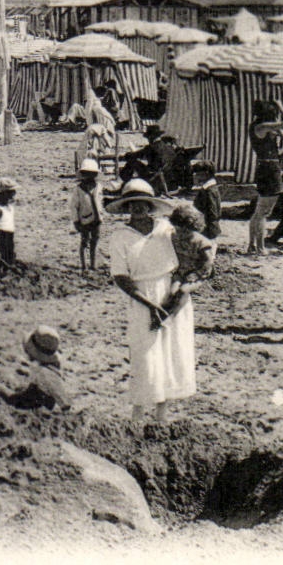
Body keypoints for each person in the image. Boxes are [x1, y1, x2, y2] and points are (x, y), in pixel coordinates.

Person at [106, 178, 194, 423]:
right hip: (142, 296)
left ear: (150, 205)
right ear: (126, 208)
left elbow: (189, 254)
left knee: (170, 351)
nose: (138, 209)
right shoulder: (120, 236)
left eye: (142, 203)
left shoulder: (166, 229)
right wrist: (149, 304)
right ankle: (137, 411)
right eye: (132, 204)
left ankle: (162, 412)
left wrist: (178, 292)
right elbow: (120, 276)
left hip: (171, 292)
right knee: (144, 353)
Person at [248, 98, 283, 254]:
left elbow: (282, 130)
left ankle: (253, 246)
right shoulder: (263, 126)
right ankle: (260, 247)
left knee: (259, 210)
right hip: (270, 169)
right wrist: (281, 105)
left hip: (264, 167)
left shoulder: (259, 127)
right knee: (263, 212)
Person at [73, 158, 105, 270]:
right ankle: (84, 265)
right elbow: (74, 206)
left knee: (95, 241)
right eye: (87, 174)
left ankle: (93, 264)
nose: (89, 177)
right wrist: (76, 220)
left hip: (97, 218)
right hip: (85, 219)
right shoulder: (78, 190)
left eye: (92, 174)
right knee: (84, 241)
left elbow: (101, 200)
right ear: (82, 175)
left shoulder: (98, 187)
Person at [0, 178, 19, 277]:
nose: (14, 194)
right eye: (11, 192)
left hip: (9, 235)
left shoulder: (9, 207)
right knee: (0, 260)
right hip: (1, 236)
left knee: (10, 258)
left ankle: (6, 277)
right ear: (2, 193)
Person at [190, 160, 223, 241]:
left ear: (206, 173)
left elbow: (213, 213)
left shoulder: (209, 191)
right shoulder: (209, 188)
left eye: (198, 173)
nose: (196, 176)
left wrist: (208, 232)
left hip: (207, 231)